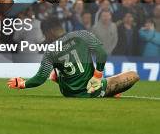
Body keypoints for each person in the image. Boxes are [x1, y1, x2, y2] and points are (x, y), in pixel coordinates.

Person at [7, 18, 139, 98]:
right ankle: (108, 90)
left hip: (69, 92)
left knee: (55, 72)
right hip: (92, 89)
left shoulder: (50, 50)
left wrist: (23, 83)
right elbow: (102, 53)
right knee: (134, 75)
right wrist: (97, 76)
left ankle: (58, 77)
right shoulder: (82, 35)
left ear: (49, 32)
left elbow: (40, 78)